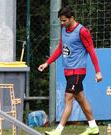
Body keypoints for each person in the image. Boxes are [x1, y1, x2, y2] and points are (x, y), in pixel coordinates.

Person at [38, 6, 102, 135]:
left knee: (68, 98)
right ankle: (93, 127)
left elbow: (91, 51)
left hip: (78, 72)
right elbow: (61, 48)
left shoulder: (82, 31)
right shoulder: (64, 30)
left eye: (64, 21)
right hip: (68, 72)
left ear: (71, 18)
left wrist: (98, 71)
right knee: (81, 99)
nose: (62, 24)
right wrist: (47, 63)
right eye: (61, 21)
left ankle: (58, 130)